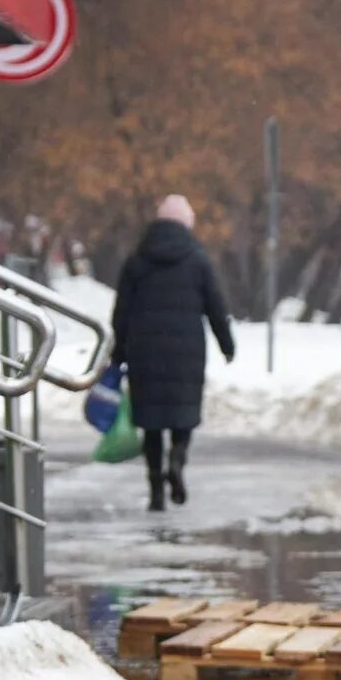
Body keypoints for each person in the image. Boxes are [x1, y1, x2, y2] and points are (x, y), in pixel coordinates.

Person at [109, 194, 237, 513]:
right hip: (186, 351)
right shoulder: (197, 258)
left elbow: (121, 310)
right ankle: (177, 461)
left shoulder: (137, 258)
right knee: (183, 414)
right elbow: (216, 306)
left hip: (145, 350)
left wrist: (119, 351)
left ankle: (155, 489)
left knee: (151, 422)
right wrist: (227, 344)